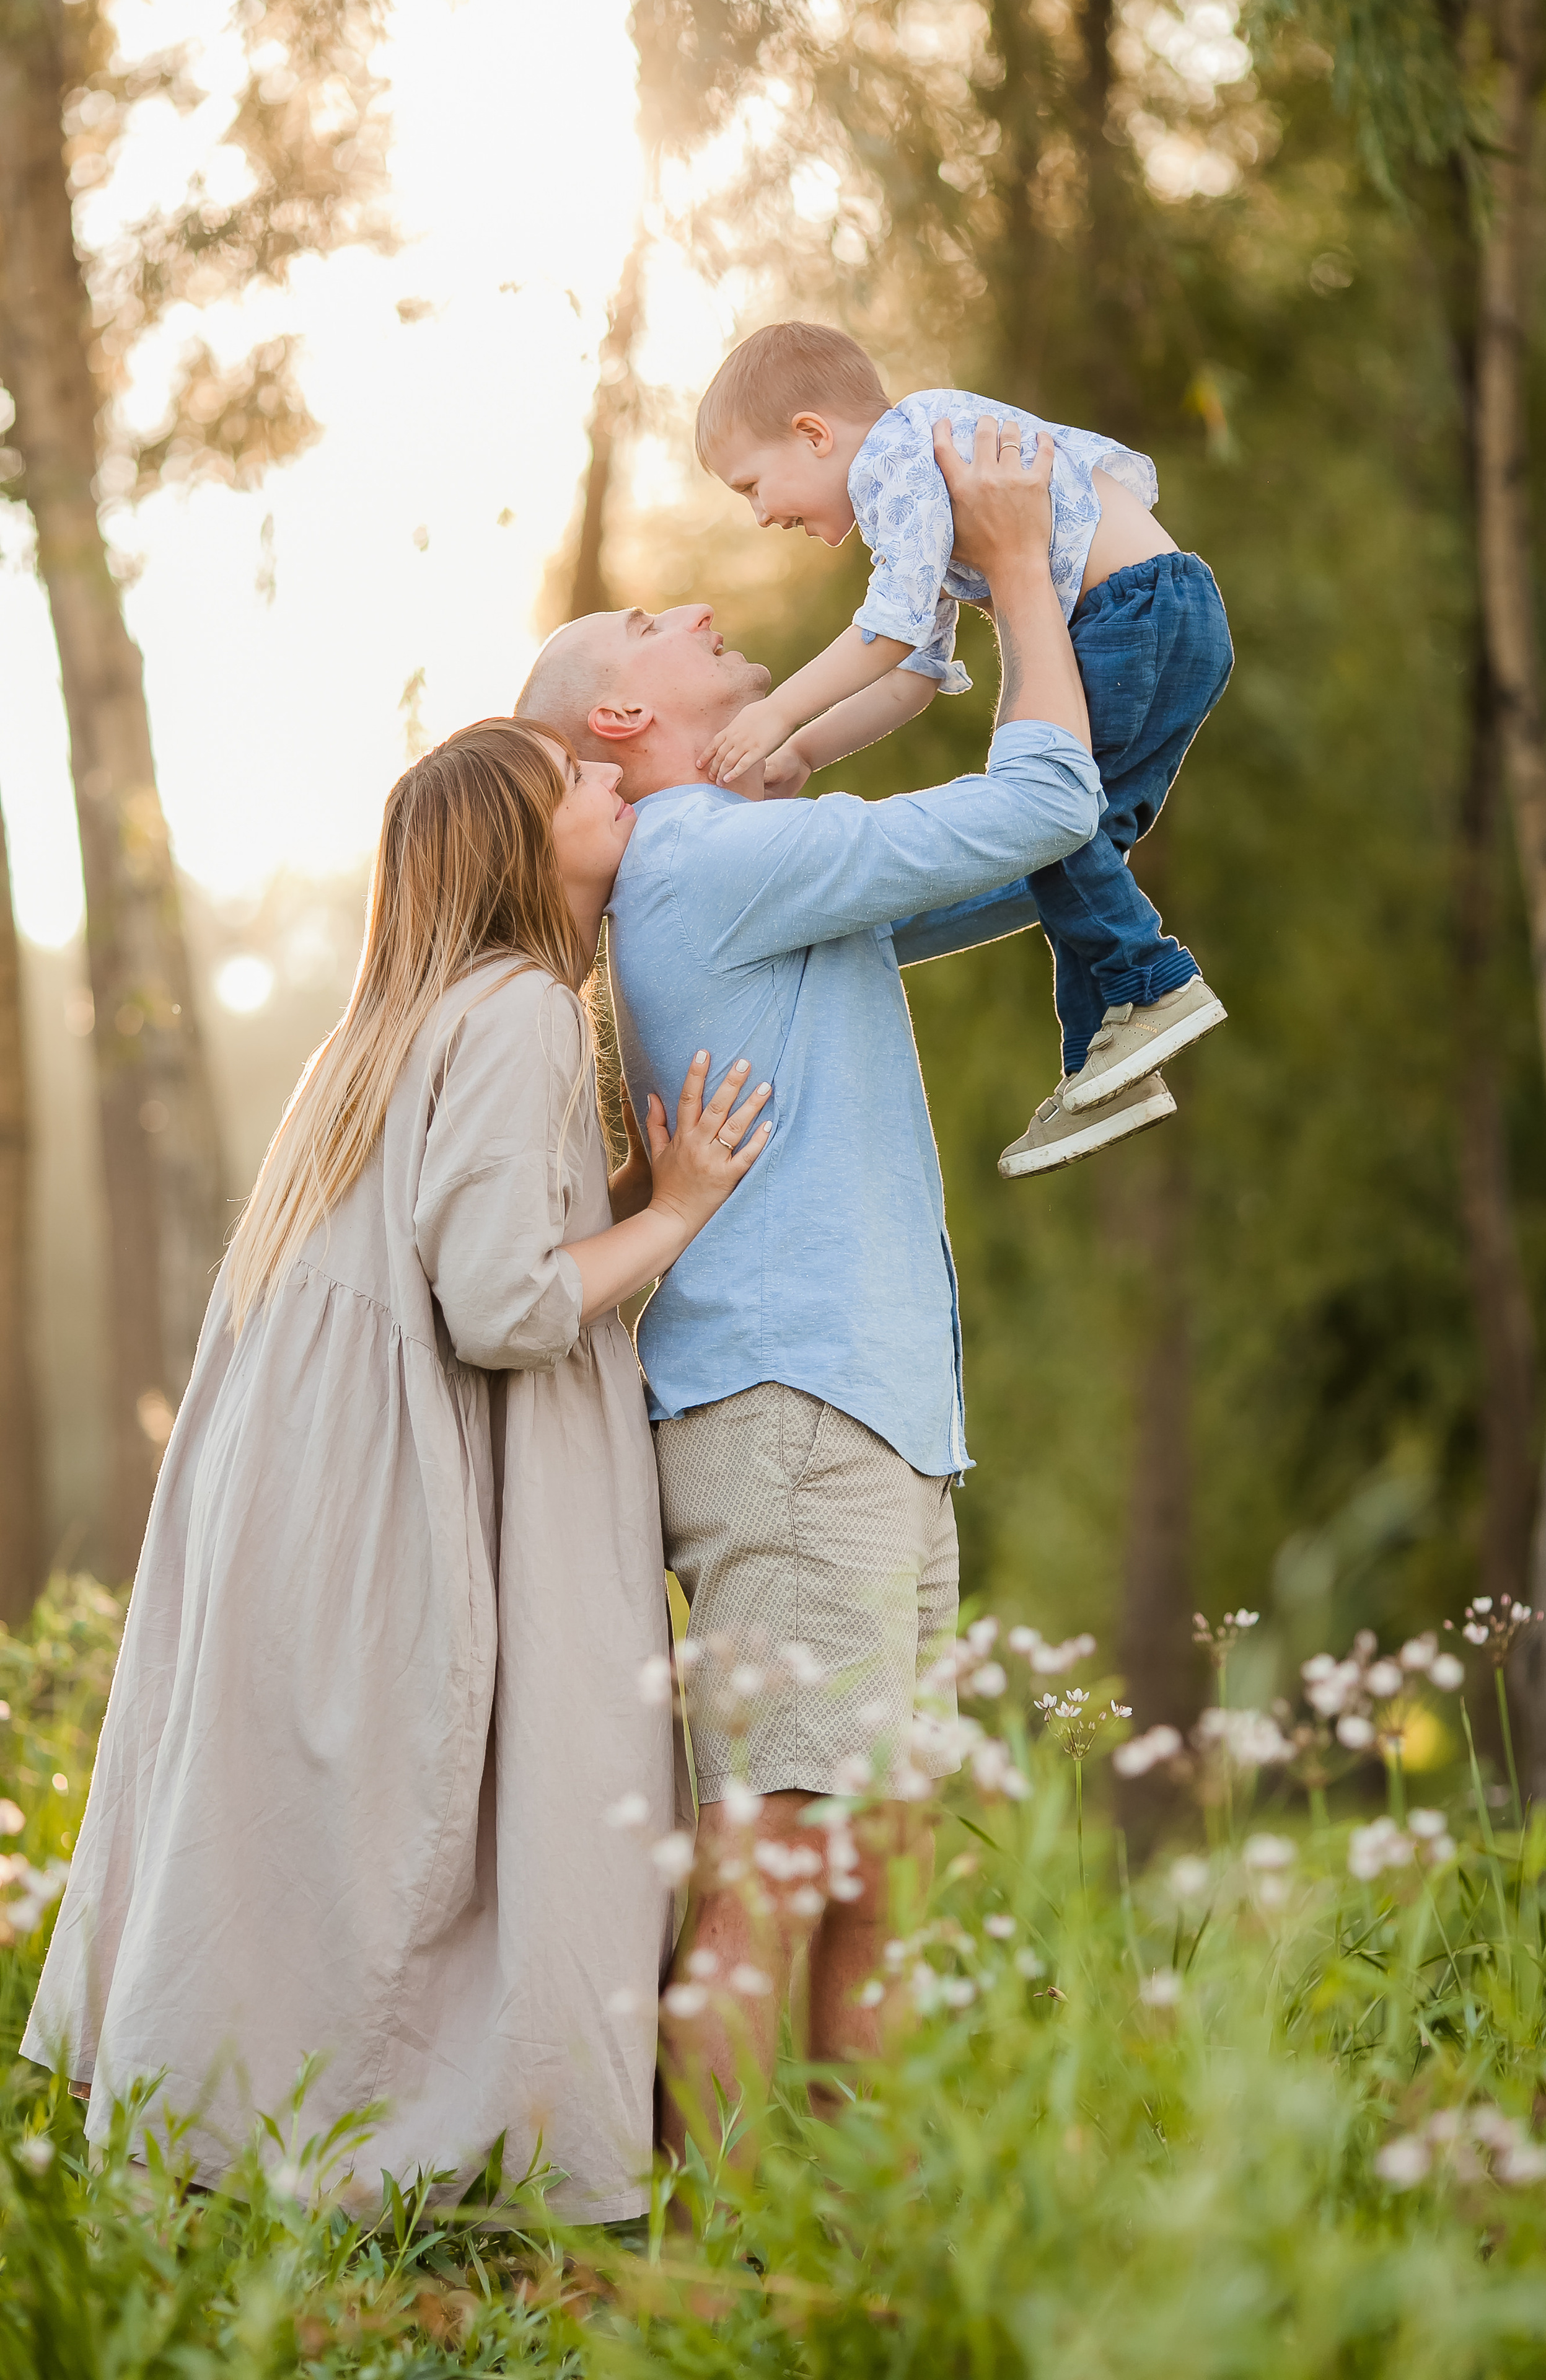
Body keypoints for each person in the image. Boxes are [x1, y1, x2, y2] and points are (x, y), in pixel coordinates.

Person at [24, 720, 772, 2219]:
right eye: (583, 780)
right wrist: (680, 1209)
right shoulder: (519, 1013)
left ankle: (220, 2138)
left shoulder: (388, 1029)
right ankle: (409, 2164)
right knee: (418, 1813)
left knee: (303, 1812)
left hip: (293, 1482)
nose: (613, 782)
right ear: (523, 843)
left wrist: (610, 1191)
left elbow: (469, 1240)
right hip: (395, 1477)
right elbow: (496, 1308)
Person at [516, 418, 1108, 2148]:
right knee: (784, 1853)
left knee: (877, 1857)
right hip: (796, 1419)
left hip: (861, 1414)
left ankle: (849, 2239)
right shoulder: (702, 861)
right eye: (652, 622)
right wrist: (1009, 574)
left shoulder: (746, 866)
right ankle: (712, 2271)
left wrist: (1061, 673)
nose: (695, 601)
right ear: (623, 722)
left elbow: (1036, 844)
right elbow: (1044, 796)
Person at [693, 320, 1235, 1178]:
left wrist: (774, 716)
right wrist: (805, 754)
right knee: (1072, 843)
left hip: (1132, 614)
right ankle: (1105, 1066)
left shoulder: (901, 455)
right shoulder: (914, 490)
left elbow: (888, 629)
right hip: (1166, 618)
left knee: (1044, 822)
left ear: (812, 434)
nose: (761, 515)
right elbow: (912, 674)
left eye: (753, 486)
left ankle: (1152, 982)